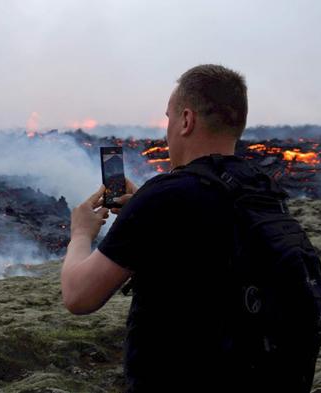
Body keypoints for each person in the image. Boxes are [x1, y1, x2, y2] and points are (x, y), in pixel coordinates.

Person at [61, 64, 281, 392]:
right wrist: (140, 216)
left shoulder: (166, 196)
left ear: (186, 121)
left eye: (168, 117)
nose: (167, 129)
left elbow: (79, 296)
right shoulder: (263, 191)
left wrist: (80, 232)